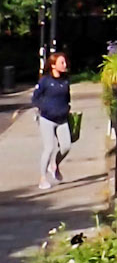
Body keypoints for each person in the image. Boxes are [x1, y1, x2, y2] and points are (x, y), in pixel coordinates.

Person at [31, 50, 71, 191]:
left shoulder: (65, 80)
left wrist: (67, 109)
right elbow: (35, 98)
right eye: (61, 62)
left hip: (62, 118)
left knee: (66, 146)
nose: (64, 64)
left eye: (65, 62)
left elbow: (67, 97)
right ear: (53, 65)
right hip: (47, 119)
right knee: (49, 148)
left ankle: (54, 165)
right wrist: (44, 108)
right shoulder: (45, 81)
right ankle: (42, 178)